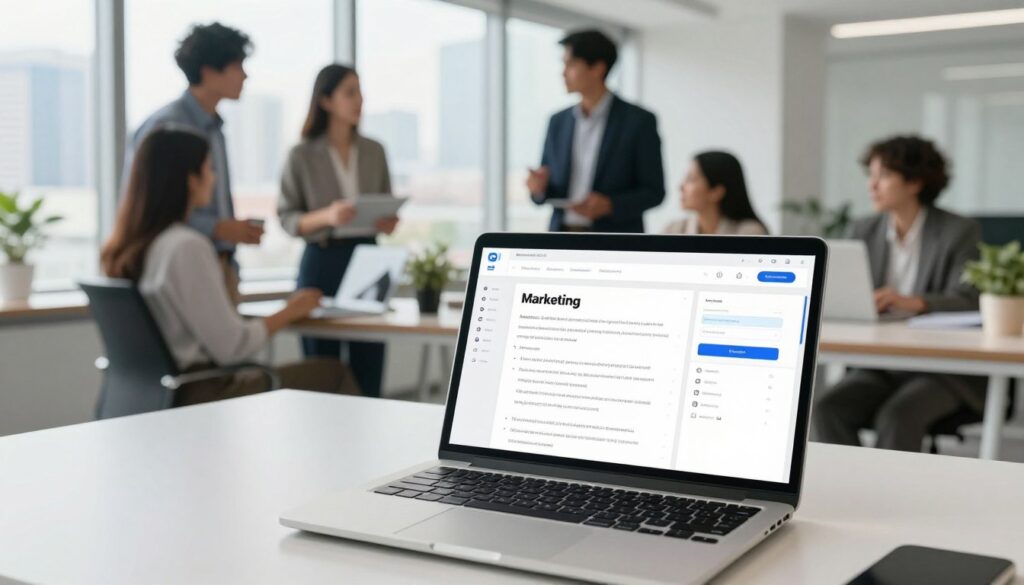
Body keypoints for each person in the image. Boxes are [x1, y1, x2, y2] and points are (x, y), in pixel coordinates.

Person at [101, 128, 360, 405]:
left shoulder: (132, 248)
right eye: (209, 169)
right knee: (334, 374)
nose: (213, 179)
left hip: (155, 395)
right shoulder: (187, 247)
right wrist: (290, 312)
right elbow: (233, 348)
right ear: (190, 180)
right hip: (205, 394)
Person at [813, 135, 984, 452]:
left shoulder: (958, 231)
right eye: (871, 177)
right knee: (827, 409)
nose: (872, 186)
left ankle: (893, 498)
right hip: (881, 364)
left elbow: (971, 299)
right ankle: (859, 490)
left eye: (884, 176)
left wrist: (915, 302)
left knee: (897, 416)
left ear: (915, 182)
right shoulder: (863, 230)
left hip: (943, 368)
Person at [277, 64, 397, 398]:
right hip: (322, 259)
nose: (360, 100)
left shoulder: (375, 150)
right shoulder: (300, 155)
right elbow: (288, 219)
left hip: (369, 258)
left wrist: (386, 220)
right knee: (322, 372)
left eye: (360, 91)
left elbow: (384, 202)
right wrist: (328, 216)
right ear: (326, 100)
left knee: (369, 368)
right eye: (350, 92)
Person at [124, 22, 262, 304]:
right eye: (237, 66)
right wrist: (217, 228)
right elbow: (148, 211)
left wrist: (229, 231)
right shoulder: (167, 128)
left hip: (220, 266)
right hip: (182, 272)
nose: (245, 76)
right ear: (209, 72)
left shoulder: (215, 128)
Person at [527, 29, 665, 233]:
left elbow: (654, 192)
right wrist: (538, 188)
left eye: (571, 64)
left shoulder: (638, 121)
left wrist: (610, 205)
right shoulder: (557, 122)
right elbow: (547, 190)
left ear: (597, 68)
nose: (563, 72)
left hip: (615, 239)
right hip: (561, 236)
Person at [663, 151, 768, 235]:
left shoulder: (750, 233)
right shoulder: (673, 230)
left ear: (716, 192)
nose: (681, 187)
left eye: (691, 179)